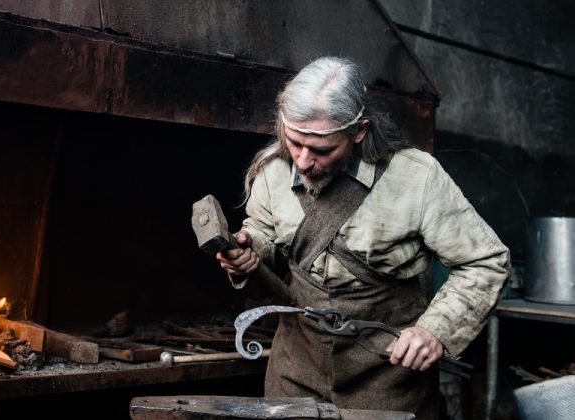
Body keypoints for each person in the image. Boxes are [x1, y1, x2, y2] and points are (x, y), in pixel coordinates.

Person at [216, 56, 510, 418]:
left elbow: (485, 261)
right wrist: (251, 249)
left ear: (359, 132)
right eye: (294, 143)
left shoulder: (416, 178)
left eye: (322, 149)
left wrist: (435, 331)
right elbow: (265, 234)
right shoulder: (274, 171)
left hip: (389, 376)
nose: (304, 161)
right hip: (295, 369)